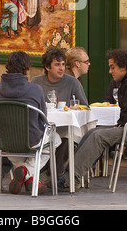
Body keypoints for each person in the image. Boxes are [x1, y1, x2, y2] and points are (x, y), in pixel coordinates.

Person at [71, 49, 127, 183]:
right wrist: (121, 123)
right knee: (93, 131)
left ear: (123, 67)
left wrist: (122, 124)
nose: (110, 71)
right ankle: (71, 172)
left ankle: (73, 177)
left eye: (112, 67)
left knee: (98, 135)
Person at [0, 51, 61, 195]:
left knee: (20, 150)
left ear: (7, 67)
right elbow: (43, 119)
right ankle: (28, 174)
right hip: (31, 139)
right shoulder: (35, 89)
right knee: (56, 139)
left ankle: (28, 177)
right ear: (27, 69)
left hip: (5, 141)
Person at [31, 48, 89, 186]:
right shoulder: (36, 82)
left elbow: (85, 107)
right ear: (47, 67)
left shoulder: (72, 83)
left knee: (69, 135)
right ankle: (43, 174)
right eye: (57, 64)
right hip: (41, 126)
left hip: (64, 126)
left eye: (63, 64)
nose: (61, 68)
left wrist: (74, 108)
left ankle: (51, 174)